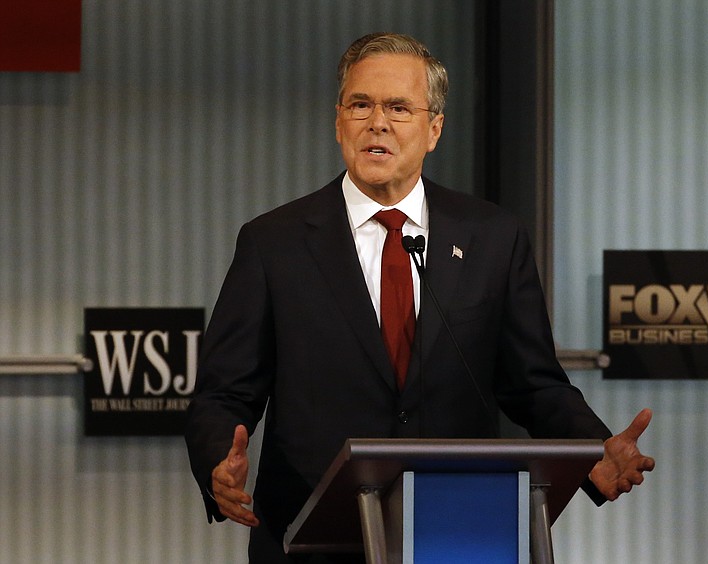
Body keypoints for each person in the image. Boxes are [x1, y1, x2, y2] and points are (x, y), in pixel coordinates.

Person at [185, 32, 655, 562]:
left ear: (434, 130)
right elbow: (224, 392)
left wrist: (594, 449)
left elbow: (533, 384)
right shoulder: (275, 242)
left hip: (456, 531)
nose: (376, 122)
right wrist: (217, 461)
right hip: (310, 538)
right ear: (338, 120)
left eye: (398, 107)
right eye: (360, 104)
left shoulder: (493, 237)